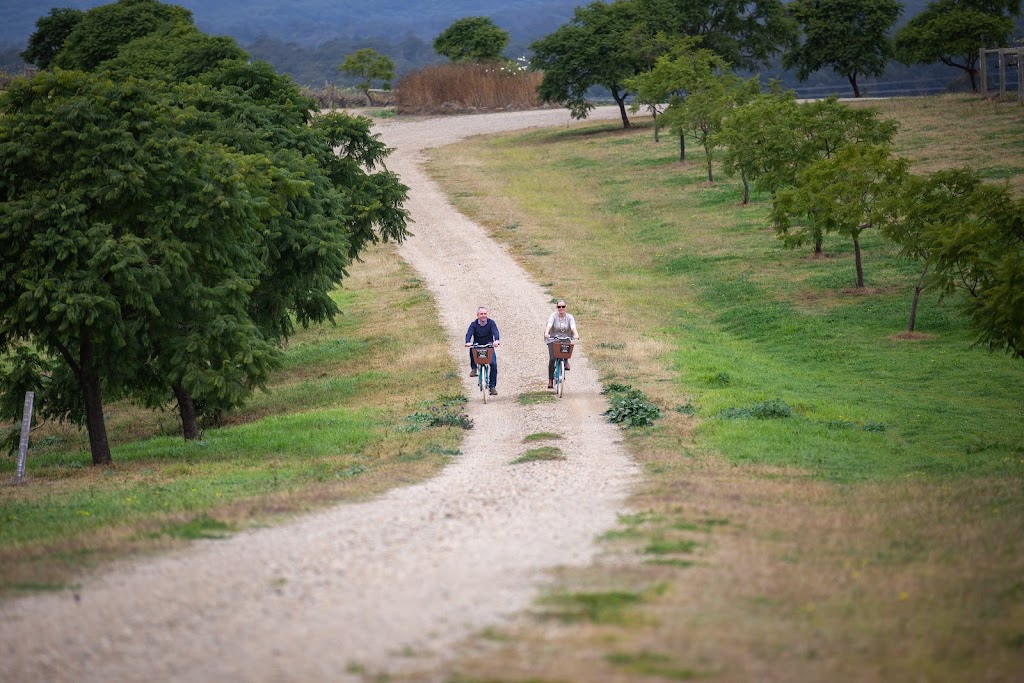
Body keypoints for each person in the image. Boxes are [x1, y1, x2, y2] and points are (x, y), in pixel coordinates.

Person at [544, 299, 579, 389]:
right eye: (559, 307)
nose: (561, 308)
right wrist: (547, 333)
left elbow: (573, 326)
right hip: (553, 338)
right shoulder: (553, 316)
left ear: (566, 307)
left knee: (567, 348)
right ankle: (550, 380)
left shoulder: (570, 317)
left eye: (563, 306)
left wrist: (576, 334)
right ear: (557, 308)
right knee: (552, 358)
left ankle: (566, 360)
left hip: (565, 338)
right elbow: (549, 324)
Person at [465, 306, 500, 395]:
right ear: (478, 315)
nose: (483, 316)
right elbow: (469, 333)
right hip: (478, 345)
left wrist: (496, 340)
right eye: (481, 314)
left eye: (485, 314)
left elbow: (495, 331)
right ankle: (474, 368)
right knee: (472, 349)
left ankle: (492, 387)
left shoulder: (491, 323)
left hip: (488, 346)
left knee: (494, 364)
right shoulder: (474, 324)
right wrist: (468, 342)